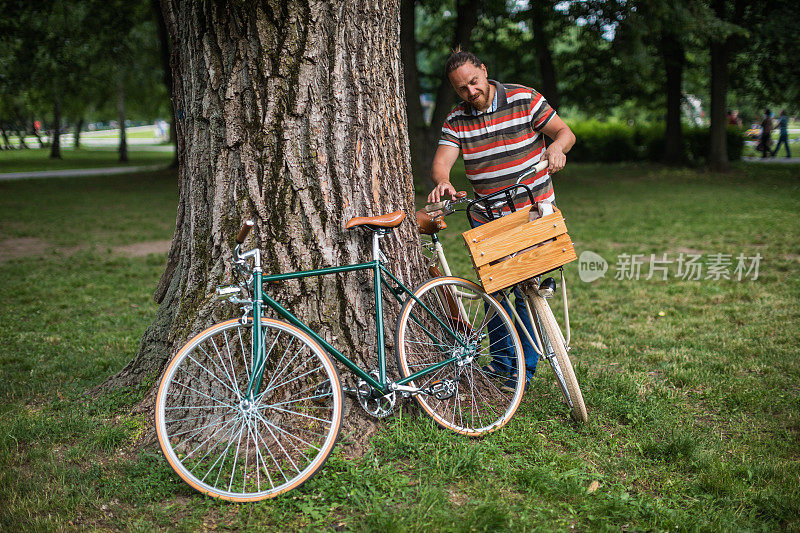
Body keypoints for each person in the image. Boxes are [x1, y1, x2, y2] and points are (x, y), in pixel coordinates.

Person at [427, 48, 576, 391]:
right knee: (496, 289)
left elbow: (564, 133)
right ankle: (505, 365)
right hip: (488, 215)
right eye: (461, 89)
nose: (470, 92)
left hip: (533, 208)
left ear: (484, 70)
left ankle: (520, 368)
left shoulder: (524, 98)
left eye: (474, 82)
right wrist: (444, 181)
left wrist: (556, 148)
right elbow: (441, 163)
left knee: (522, 286)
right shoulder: (456, 120)